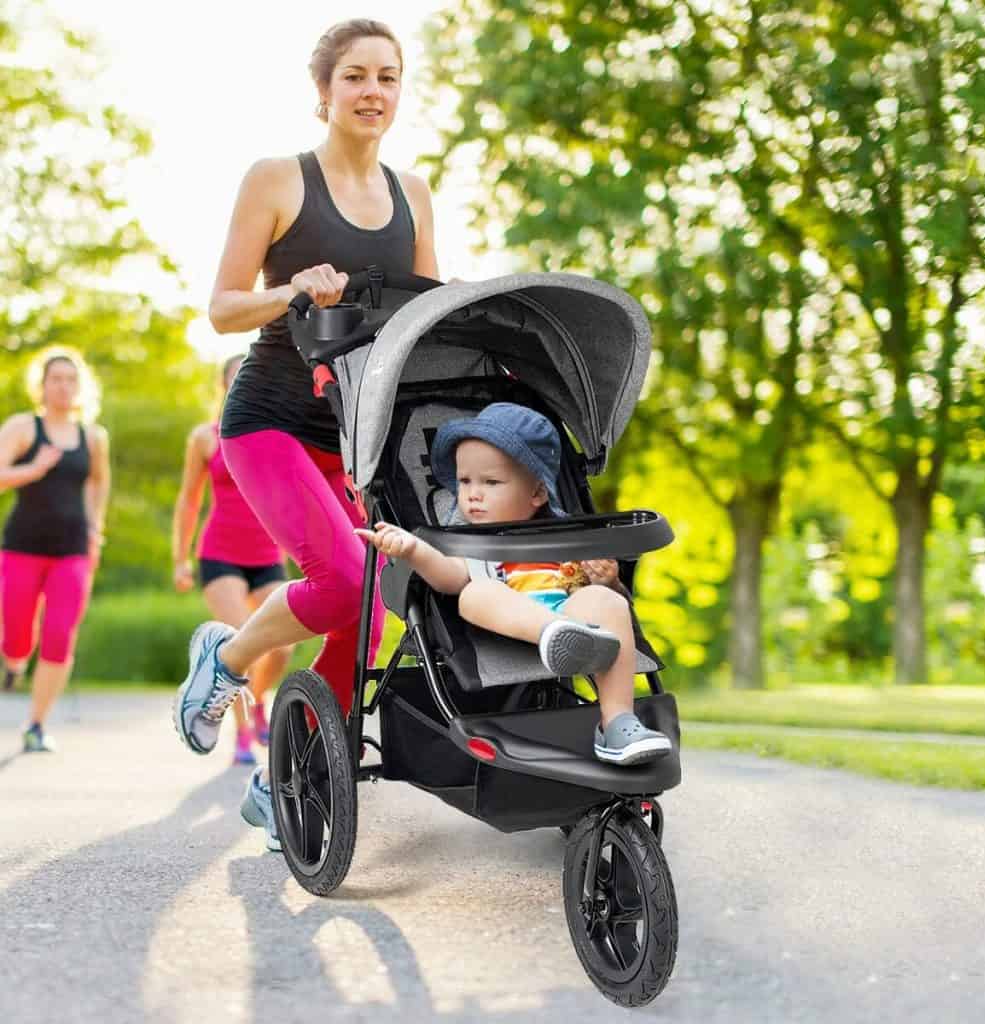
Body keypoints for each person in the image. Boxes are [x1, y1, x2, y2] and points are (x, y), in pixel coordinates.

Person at [172, 19, 439, 851]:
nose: (372, 92)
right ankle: (222, 662)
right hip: (270, 421)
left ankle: (284, 768)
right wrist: (292, 291)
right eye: (355, 76)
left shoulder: (413, 194)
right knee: (349, 579)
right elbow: (220, 309)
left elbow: (419, 319)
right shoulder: (279, 179)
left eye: (387, 78)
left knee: (373, 610)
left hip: (357, 434)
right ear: (323, 92)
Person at [355, 403, 672, 767]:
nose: (473, 494)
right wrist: (413, 549)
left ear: (537, 494)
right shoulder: (467, 537)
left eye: (491, 483)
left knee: (609, 603)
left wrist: (608, 581)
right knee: (474, 593)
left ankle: (617, 723)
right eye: (464, 481)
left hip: (571, 610)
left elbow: (606, 597)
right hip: (501, 623)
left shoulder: (568, 534)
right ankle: (555, 633)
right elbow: (448, 576)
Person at [171, 354, 293, 766]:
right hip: (219, 552)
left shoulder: (276, 432)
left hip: (266, 553)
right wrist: (179, 559)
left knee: (283, 643)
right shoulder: (205, 438)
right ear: (225, 385)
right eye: (235, 375)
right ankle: (242, 735)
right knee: (243, 635)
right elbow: (188, 501)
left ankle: (257, 700)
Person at [0, 348, 110, 752]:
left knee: (60, 634)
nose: (62, 386)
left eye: (70, 379)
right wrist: (34, 468)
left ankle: (36, 724)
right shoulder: (24, 427)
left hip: (73, 549)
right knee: (16, 633)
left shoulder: (93, 436)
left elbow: (98, 484)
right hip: (23, 546)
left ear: (79, 387)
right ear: (42, 385)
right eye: (55, 379)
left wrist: (95, 528)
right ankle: (14, 660)